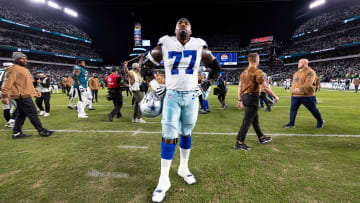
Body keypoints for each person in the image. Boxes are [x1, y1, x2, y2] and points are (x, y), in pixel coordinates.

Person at [142, 18, 221, 202]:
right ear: (175, 29)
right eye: (180, 24)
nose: (183, 25)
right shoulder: (165, 43)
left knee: (186, 132)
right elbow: (146, 67)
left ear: (191, 30)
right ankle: (163, 180)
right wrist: (153, 83)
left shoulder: (199, 45)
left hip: (192, 97)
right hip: (172, 96)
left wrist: (205, 84)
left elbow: (216, 68)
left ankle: (183, 168)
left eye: (186, 24)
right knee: (169, 133)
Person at [1, 52, 54, 139]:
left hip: (24, 94)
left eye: (26, 58)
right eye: (22, 58)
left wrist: (35, 91)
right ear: (16, 59)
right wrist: (4, 96)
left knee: (21, 114)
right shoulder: (13, 69)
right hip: (21, 95)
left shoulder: (24, 69)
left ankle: (16, 133)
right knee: (32, 112)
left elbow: (27, 83)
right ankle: (42, 131)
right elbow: (6, 83)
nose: (25, 60)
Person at [235, 53, 279, 151]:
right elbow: (265, 87)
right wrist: (274, 96)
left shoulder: (244, 72)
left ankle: (261, 138)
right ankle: (239, 142)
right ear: (257, 60)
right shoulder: (258, 71)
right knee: (247, 121)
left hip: (246, 97)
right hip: (252, 98)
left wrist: (240, 99)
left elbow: (240, 87)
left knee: (255, 120)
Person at [284, 58, 325, 128]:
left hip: (307, 95)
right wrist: (292, 91)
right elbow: (294, 83)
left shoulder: (310, 72)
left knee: (313, 110)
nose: (298, 63)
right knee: (293, 109)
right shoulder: (296, 73)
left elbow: (309, 83)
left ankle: (320, 121)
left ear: (305, 63)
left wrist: (299, 88)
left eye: (300, 62)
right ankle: (291, 123)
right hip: (295, 95)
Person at [0, 62, 17, 128]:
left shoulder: (1, 70)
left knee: (6, 108)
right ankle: (12, 120)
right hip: (8, 91)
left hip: (1, 92)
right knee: (20, 106)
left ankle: (8, 122)